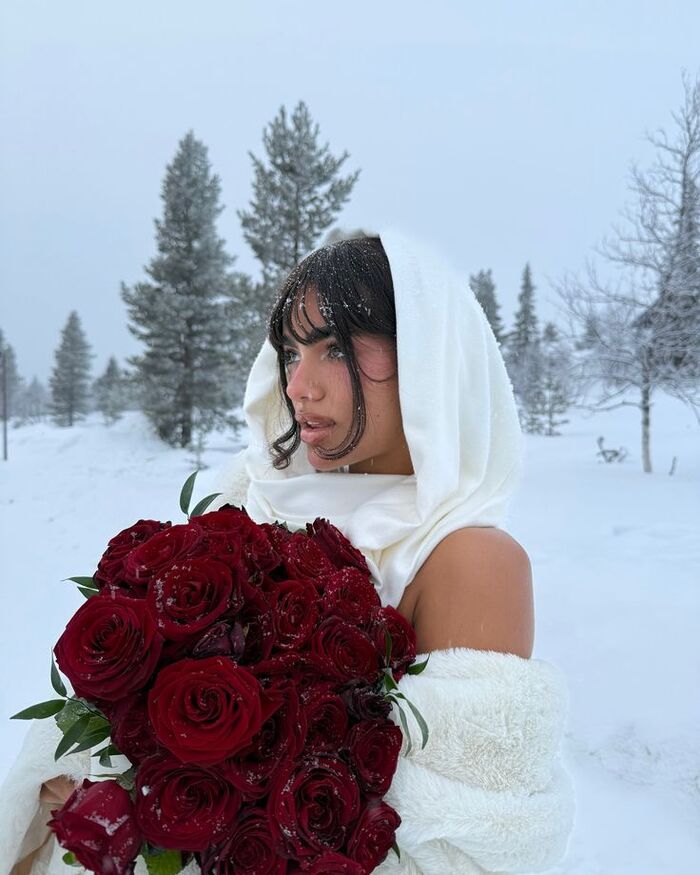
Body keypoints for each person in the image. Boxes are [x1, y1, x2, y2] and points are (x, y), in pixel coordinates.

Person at [1, 229, 575, 874]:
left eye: (334, 348)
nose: (299, 385)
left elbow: (465, 848)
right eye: (291, 351)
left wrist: (165, 834)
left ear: (429, 356)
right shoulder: (254, 495)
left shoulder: (467, 562)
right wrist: (103, 785)